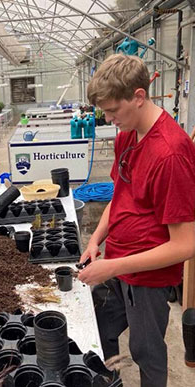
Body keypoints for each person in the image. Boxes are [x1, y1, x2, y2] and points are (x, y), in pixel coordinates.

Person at [78, 54, 195, 387]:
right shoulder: (128, 134)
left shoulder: (170, 154)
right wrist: (96, 239)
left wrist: (113, 267)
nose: (109, 118)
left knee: (147, 352)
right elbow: (121, 193)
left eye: (114, 110)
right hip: (118, 260)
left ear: (139, 96)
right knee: (101, 328)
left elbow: (186, 244)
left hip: (147, 279)